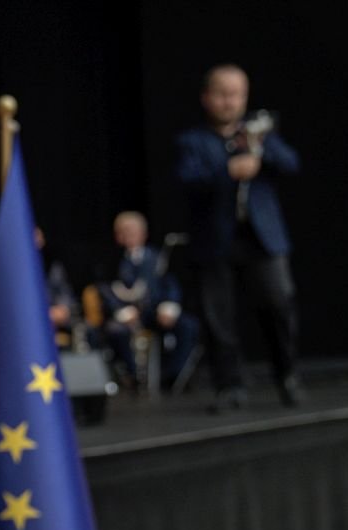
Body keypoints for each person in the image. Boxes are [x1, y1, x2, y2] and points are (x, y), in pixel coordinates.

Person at [176, 64, 301, 411]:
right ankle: (229, 384)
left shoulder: (260, 133)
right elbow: (186, 179)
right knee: (218, 316)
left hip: (262, 238)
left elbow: (291, 164)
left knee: (279, 303)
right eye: (222, 94)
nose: (229, 101)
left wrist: (260, 151)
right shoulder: (193, 141)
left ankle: (287, 374)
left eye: (236, 94)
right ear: (207, 97)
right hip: (216, 239)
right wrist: (227, 171)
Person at [96, 212, 199, 390]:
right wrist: (122, 311)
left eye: (132, 231)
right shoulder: (111, 260)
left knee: (188, 325)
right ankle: (136, 376)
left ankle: (168, 375)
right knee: (115, 331)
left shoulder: (158, 258)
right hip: (128, 315)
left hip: (154, 311)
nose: (128, 236)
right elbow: (105, 289)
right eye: (123, 232)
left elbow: (170, 283)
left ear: (143, 233)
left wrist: (167, 307)